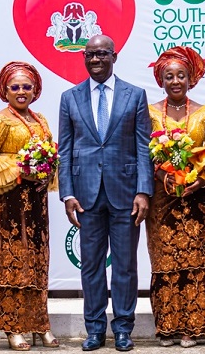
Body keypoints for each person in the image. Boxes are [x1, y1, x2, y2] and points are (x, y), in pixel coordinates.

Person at [58, 35, 153, 352]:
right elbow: (65, 150)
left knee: (125, 266)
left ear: (114, 56)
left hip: (125, 194)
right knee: (91, 267)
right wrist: (67, 193)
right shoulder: (69, 97)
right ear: (84, 58)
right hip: (85, 195)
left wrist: (143, 190)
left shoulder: (135, 95)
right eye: (90, 54)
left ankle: (123, 329)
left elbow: (143, 147)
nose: (96, 59)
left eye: (102, 53)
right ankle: (95, 330)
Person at [0, 62, 58, 351]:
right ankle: (13, 327)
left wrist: (46, 168)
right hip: (7, 202)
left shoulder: (40, 119)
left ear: (35, 90)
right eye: (15, 87)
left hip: (36, 201)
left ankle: (39, 323)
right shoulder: (0, 121)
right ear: (5, 90)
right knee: (11, 260)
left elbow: (49, 153)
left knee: (36, 259)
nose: (21, 91)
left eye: (27, 86)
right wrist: (20, 167)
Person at [146, 47, 205, 348]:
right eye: (169, 76)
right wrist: (162, 176)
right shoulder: (149, 112)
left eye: (181, 76)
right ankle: (167, 327)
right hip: (162, 199)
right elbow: (141, 152)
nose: (175, 81)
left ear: (191, 79)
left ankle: (192, 328)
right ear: (161, 80)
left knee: (195, 260)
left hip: (197, 198)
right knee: (165, 260)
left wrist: (201, 180)